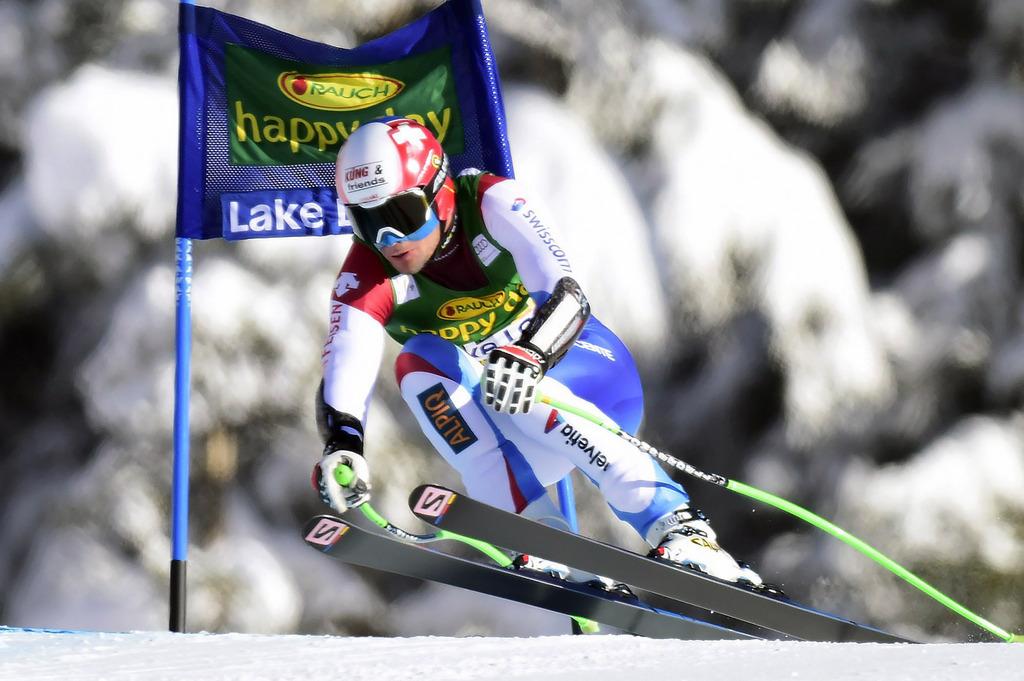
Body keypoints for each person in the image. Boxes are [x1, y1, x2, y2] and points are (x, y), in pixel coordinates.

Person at [313, 117, 761, 587]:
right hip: (517, 434)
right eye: (367, 221)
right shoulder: (368, 270)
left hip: (591, 382)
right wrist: (343, 443)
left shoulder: (491, 203)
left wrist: (529, 355)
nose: (390, 240)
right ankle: (535, 532)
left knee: (510, 380)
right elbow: (348, 353)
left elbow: (568, 295)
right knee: (417, 364)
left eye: (401, 215)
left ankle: (682, 528)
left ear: (439, 190)